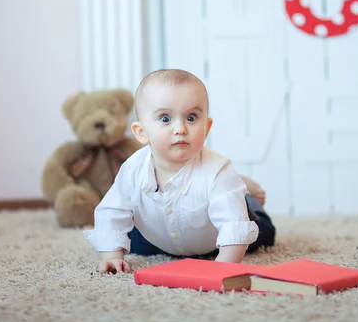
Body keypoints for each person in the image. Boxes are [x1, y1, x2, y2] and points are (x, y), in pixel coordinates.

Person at [83, 69, 276, 274]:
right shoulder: (132, 170)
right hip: (159, 236)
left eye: (191, 118)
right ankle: (239, 185)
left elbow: (233, 226)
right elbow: (112, 212)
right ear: (141, 132)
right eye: (165, 119)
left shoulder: (217, 170)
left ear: (206, 128)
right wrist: (112, 257)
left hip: (213, 239)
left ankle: (245, 195)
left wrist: (221, 268)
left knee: (261, 234)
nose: (181, 129)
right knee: (131, 240)